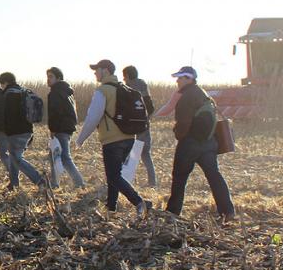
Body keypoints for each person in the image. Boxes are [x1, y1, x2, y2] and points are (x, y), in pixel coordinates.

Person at [76, 60, 151, 214]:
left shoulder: (103, 91)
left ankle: (139, 202)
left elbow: (93, 117)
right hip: (129, 138)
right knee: (114, 174)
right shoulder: (123, 88)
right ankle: (111, 207)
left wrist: (80, 139)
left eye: (97, 69)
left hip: (112, 140)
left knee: (113, 176)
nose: (95, 73)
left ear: (106, 71)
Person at [165, 66, 235, 221]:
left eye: (181, 77)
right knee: (214, 176)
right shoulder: (204, 94)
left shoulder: (186, 97)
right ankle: (228, 211)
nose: (177, 80)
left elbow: (183, 124)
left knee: (179, 178)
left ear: (189, 79)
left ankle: (172, 213)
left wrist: (178, 134)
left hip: (190, 143)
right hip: (209, 143)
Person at [0, 72, 47, 190]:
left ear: (5, 83)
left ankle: (39, 180)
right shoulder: (23, 91)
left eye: (1, 84)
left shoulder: (9, 95)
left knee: (16, 158)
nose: (1, 87)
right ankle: (14, 184)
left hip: (16, 132)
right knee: (14, 157)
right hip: (27, 130)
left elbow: (8, 115)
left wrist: (4, 129)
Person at [46, 67, 85, 188]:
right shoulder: (67, 91)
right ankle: (54, 183)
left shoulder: (55, 92)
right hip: (67, 127)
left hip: (60, 128)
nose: (48, 79)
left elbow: (55, 112)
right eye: (47, 76)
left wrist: (53, 129)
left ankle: (79, 183)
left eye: (51, 76)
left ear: (58, 78)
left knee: (64, 157)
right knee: (54, 156)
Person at [122, 65, 157, 187]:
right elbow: (150, 107)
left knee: (127, 150)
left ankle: (125, 179)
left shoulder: (126, 87)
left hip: (130, 125)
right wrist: (146, 119)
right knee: (145, 153)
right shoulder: (143, 85)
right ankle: (152, 182)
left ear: (126, 76)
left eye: (124, 77)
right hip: (144, 124)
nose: (124, 79)